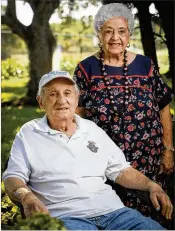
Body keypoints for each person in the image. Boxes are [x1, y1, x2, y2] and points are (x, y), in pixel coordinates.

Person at [2, 70, 173, 230]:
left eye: (67, 93)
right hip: (65, 217)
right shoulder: (29, 133)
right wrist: (26, 196)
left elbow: (120, 170)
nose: (62, 100)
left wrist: (151, 185)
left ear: (76, 99)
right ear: (41, 102)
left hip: (116, 214)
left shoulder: (92, 129)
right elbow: (13, 177)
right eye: (53, 94)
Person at [73, 3, 174, 225]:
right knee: (113, 218)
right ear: (99, 34)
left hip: (148, 159)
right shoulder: (85, 69)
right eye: (108, 31)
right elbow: (75, 117)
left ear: (129, 34)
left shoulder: (146, 65)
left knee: (152, 214)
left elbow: (164, 105)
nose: (115, 37)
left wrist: (168, 150)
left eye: (121, 31)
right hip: (104, 162)